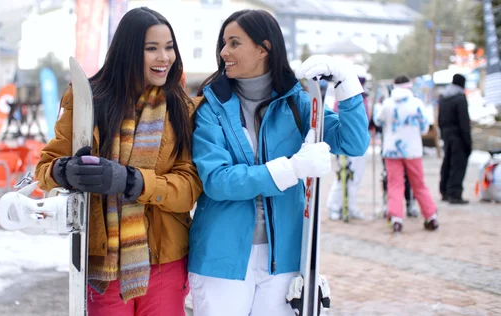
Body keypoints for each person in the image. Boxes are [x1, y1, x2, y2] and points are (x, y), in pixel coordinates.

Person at [188, 9, 369, 315]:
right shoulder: (211, 108)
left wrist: (347, 83)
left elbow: (353, 142)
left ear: (264, 47)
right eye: (223, 43)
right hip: (222, 256)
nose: (223, 52)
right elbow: (218, 181)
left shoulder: (297, 102)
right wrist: (292, 169)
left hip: (284, 255)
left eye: (234, 43)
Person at [35, 7, 203, 316]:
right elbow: (45, 167)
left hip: (164, 260)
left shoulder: (182, 108)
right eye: (151, 48)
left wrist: (133, 181)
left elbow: (190, 186)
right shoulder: (88, 100)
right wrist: (67, 171)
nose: (164, 57)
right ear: (128, 51)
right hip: (104, 262)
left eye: (169, 47)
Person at [373, 75, 439, 233]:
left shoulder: (387, 104)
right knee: (419, 184)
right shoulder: (417, 104)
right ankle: (431, 216)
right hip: (413, 150)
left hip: (391, 150)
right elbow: (424, 128)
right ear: (409, 87)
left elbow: (378, 121)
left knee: (394, 184)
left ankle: (396, 218)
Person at [327, 64, 370, 220]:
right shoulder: (343, 97)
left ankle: (350, 205)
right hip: (346, 142)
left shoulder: (363, 98)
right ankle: (334, 206)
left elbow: (366, 119)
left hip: (361, 141)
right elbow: (338, 117)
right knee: (343, 176)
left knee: (356, 177)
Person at [438, 74, 471, 204]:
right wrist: (468, 141)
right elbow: (464, 122)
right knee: (458, 165)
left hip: (446, 134)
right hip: (458, 136)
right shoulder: (460, 98)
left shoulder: (444, 97)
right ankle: (455, 194)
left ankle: (444, 191)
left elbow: (440, 119)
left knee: (447, 162)